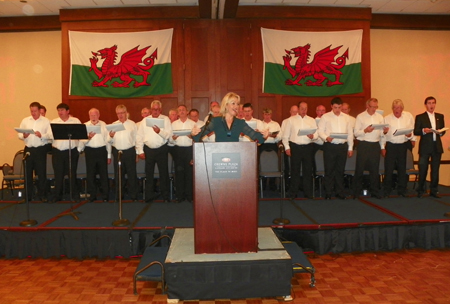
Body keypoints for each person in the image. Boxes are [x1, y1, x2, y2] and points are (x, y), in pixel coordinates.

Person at [191, 92, 267, 143]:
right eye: (233, 103)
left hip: (235, 158)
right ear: (226, 105)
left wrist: (265, 135)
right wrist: (194, 133)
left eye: (237, 104)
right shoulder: (215, 121)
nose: (236, 106)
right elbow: (197, 137)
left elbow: (257, 138)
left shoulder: (240, 122)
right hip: (218, 158)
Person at [136, 100, 172, 202]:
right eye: (153, 109)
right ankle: (149, 196)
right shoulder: (145, 121)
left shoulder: (165, 119)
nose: (155, 111)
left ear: (160, 109)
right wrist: (140, 151)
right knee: (149, 173)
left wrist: (159, 131)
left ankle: (165, 196)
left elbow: (169, 135)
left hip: (162, 149)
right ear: (151, 109)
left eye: (157, 109)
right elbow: (139, 136)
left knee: (164, 173)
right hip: (148, 150)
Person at [318, 97, 354, 199]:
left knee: (340, 170)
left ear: (342, 106)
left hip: (342, 146)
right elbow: (320, 131)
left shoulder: (347, 118)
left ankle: (339, 192)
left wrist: (350, 148)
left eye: (339, 107)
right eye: (335, 107)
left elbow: (350, 133)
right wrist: (326, 137)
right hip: (330, 146)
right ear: (331, 106)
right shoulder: (325, 117)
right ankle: (328, 192)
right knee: (329, 170)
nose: (337, 110)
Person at [281, 101, 318, 199]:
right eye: (302, 108)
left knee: (307, 171)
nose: (304, 111)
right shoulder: (291, 120)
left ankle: (308, 193)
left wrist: (313, 136)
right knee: (295, 171)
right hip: (295, 147)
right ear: (298, 109)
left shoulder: (311, 120)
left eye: (306, 108)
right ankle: (293, 193)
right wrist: (287, 147)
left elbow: (317, 134)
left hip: (308, 147)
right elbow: (285, 136)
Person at [353, 98, 388, 199]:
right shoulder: (360, 117)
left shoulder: (380, 117)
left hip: (375, 145)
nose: (374, 109)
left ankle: (375, 191)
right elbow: (356, 133)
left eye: (376, 107)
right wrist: (365, 130)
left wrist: (383, 145)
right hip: (363, 145)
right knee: (359, 169)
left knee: (374, 170)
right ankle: (356, 192)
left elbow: (382, 134)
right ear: (367, 106)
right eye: (372, 107)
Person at [17, 102, 51, 202]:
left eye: (35, 111)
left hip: (40, 149)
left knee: (41, 173)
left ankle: (42, 195)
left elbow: (50, 135)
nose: (33, 113)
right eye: (31, 111)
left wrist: (42, 135)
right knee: (27, 173)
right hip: (28, 149)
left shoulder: (46, 121)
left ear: (40, 110)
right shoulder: (25, 120)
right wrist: (23, 136)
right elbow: (19, 134)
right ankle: (28, 196)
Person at [382, 99, 415, 198]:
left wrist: (410, 136)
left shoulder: (408, 117)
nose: (397, 110)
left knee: (402, 168)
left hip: (402, 145)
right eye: (395, 108)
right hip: (391, 145)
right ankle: (386, 190)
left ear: (402, 109)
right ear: (392, 108)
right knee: (389, 169)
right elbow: (382, 135)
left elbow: (411, 131)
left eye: (399, 108)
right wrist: (383, 146)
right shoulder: (386, 118)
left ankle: (402, 190)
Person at [414, 96, 446, 198]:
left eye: (433, 103)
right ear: (425, 105)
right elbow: (416, 131)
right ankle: (420, 190)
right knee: (423, 169)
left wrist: (440, 133)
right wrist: (424, 130)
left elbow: (443, 130)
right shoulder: (420, 117)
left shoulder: (440, 116)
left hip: (436, 146)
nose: (431, 105)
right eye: (429, 103)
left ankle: (434, 190)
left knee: (435, 169)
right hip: (425, 147)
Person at [50, 103, 82, 203]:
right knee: (58, 174)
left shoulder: (75, 121)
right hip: (57, 152)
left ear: (68, 111)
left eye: (62, 110)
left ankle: (74, 195)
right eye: (58, 110)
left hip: (71, 151)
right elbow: (49, 135)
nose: (60, 112)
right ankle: (57, 196)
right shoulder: (54, 122)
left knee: (72, 174)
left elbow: (81, 135)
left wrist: (78, 149)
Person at [79, 108, 111, 202]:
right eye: (91, 115)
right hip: (90, 151)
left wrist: (109, 155)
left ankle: (105, 195)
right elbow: (81, 141)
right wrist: (88, 138)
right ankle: (92, 195)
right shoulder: (85, 125)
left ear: (99, 115)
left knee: (103, 174)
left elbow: (107, 141)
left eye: (95, 115)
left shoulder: (104, 125)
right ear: (89, 116)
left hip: (101, 151)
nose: (93, 117)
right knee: (90, 174)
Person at [108, 105, 139, 201]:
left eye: (122, 113)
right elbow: (109, 141)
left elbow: (136, 139)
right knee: (118, 175)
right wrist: (111, 136)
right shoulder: (113, 125)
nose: (120, 115)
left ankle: (133, 196)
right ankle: (119, 196)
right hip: (117, 152)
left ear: (126, 113)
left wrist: (137, 153)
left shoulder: (132, 124)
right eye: (118, 113)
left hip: (130, 151)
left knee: (132, 174)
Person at [171, 105, 195, 203]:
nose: (181, 112)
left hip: (189, 150)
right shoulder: (173, 124)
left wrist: (192, 137)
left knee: (189, 173)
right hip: (178, 150)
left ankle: (189, 196)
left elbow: (198, 138)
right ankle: (179, 196)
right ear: (177, 112)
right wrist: (173, 138)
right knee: (179, 173)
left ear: (187, 112)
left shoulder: (193, 124)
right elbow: (169, 139)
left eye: (183, 110)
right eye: (179, 110)